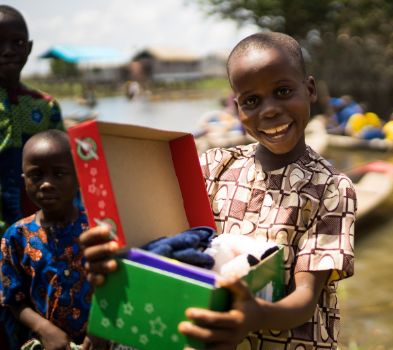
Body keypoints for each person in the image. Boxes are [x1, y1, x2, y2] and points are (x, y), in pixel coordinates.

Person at [80, 32, 356, 349]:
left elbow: (306, 298)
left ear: (309, 90)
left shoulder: (331, 187)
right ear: (237, 107)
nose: (268, 110)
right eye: (251, 101)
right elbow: (174, 248)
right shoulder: (213, 166)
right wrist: (117, 255)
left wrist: (257, 316)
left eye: (282, 91)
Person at [1, 130, 91, 350]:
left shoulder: (96, 229)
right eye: (36, 175)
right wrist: (44, 329)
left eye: (59, 174)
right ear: (25, 180)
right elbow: (13, 298)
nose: (47, 184)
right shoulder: (16, 236)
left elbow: (119, 285)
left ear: (78, 177)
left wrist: (101, 330)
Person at [0, 5, 65, 234]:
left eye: (17, 43)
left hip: (38, 227)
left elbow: (66, 166)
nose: (7, 51)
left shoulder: (45, 106)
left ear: (28, 48)